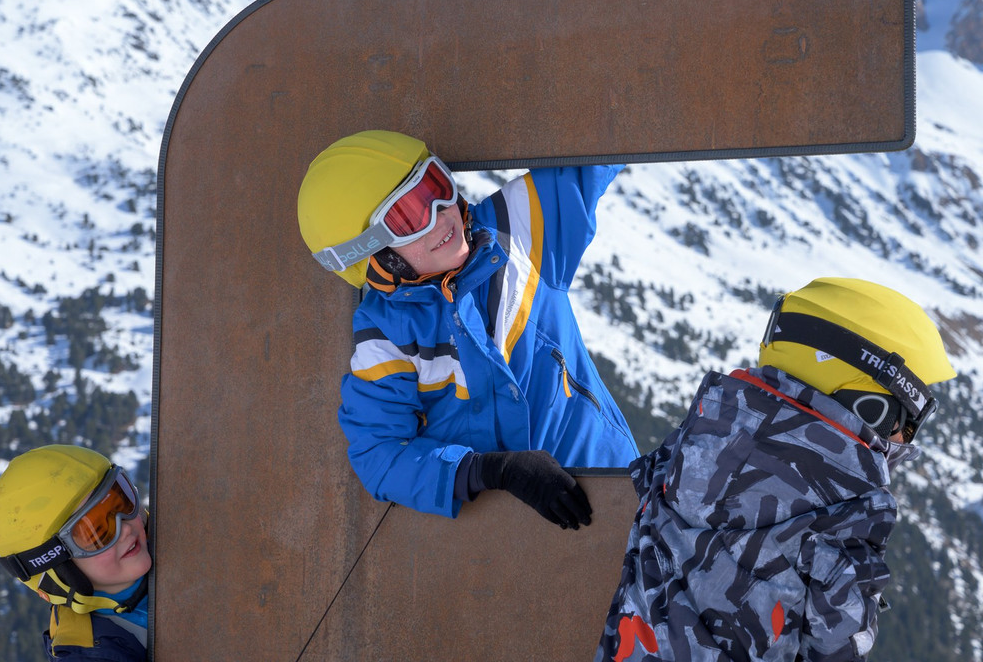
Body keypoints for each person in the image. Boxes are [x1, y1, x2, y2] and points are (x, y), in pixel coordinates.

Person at [595, 277, 956, 662]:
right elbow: (838, 649)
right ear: (871, 406)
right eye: (910, 418)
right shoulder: (849, 515)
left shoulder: (690, 444)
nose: (906, 436)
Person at [297, 129, 640, 530]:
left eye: (435, 187)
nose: (441, 216)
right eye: (409, 217)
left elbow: (602, 144)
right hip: (498, 537)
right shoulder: (388, 335)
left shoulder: (515, 232)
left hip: (612, 487)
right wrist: (491, 471)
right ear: (377, 260)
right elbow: (380, 454)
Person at [0, 444, 151, 661]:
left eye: (121, 501)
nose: (126, 528)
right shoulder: (92, 655)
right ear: (62, 570)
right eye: (98, 533)